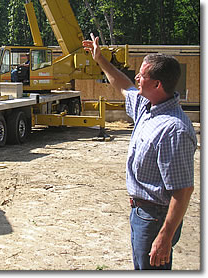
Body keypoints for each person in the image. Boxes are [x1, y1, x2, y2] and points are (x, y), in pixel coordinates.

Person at [83, 34, 197, 270]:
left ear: (157, 84)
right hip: (141, 212)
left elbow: (183, 190)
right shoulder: (147, 107)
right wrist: (100, 60)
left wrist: (164, 237)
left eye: (142, 75)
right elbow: (123, 85)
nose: (137, 77)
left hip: (156, 218)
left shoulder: (173, 129)